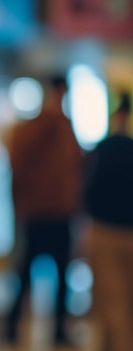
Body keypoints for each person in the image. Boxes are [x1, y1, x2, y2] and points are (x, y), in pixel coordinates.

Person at [5, 75, 83, 345]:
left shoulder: (39, 127)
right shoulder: (55, 127)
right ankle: (28, 326)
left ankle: (25, 326)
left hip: (44, 212)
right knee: (35, 273)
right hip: (48, 212)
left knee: (32, 273)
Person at [82, 92, 133, 351]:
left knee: (111, 305)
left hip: (105, 231)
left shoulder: (103, 149)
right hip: (126, 231)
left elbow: (87, 190)